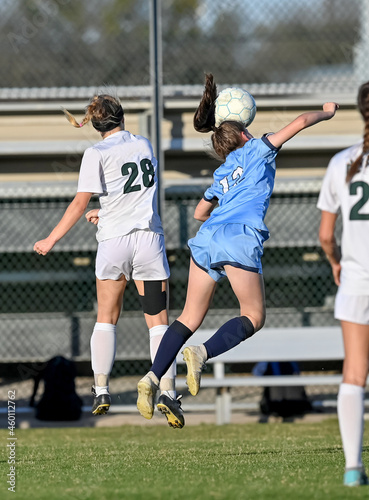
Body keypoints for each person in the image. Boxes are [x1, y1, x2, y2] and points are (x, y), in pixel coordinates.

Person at [136, 73, 338, 421]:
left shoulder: (223, 171)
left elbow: (201, 211)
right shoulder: (259, 149)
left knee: (188, 317)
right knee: (254, 316)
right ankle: (201, 353)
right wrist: (328, 112)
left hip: (208, 237)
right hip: (239, 236)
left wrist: (223, 202)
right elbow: (302, 121)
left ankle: (153, 375)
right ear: (244, 131)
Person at [33, 93, 184, 428]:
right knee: (159, 322)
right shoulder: (143, 144)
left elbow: (78, 203)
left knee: (106, 318)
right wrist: (106, 210)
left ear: (95, 124)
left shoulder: (95, 153)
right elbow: (134, 193)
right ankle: (169, 392)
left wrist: (51, 238)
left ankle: (101, 390)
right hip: (148, 241)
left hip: (114, 243)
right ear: (122, 117)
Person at [318, 81, 369, 487]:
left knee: (354, 374)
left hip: (355, 281)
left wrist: (336, 262)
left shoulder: (342, 163)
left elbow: (324, 234)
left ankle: (353, 468)